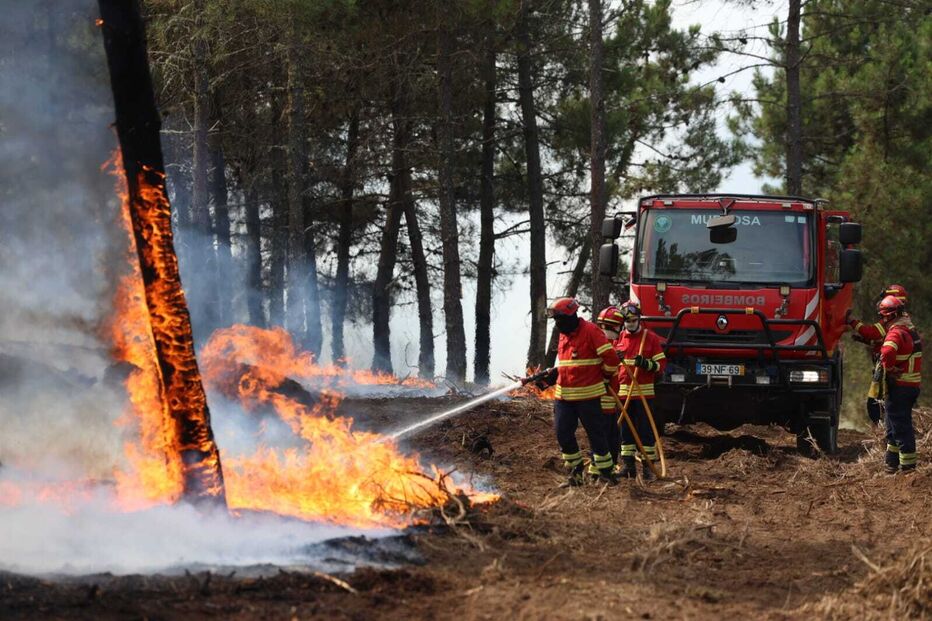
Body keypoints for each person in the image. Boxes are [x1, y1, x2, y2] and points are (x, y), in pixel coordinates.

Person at [539, 297, 620, 486]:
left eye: (560, 319)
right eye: (555, 320)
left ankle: (606, 474)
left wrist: (605, 378)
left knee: (596, 436)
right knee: (562, 433)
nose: (557, 324)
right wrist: (554, 374)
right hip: (564, 396)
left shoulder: (591, 331)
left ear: (572, 316)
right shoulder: (563, 334)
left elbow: (611, 359)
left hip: (588, 396)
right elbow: (569, 363)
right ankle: (575, 473)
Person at [614, 301, 666, 480]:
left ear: (639, 319)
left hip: (644, 394)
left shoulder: (649, 338)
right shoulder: (619, 338)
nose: (630, 324)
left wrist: (646, 364)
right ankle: (628, 466)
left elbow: (661, 366)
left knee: (646, 432)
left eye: (633, 320)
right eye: (627, 321)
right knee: (625, 432)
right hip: (623, 394)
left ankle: (648, 468)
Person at [848, 284, 909, 424]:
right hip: (888, 366)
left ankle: (883, 427)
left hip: (887, 367)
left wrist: (852, 322)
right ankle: (884, 427)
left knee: (875, 402)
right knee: (880, 400)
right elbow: (881, 341)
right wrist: (864, 341)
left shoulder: (892, 320)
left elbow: (872, 333)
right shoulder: (899, 319)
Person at [875, 295, 922, 473]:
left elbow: (887, 352)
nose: (882, 320)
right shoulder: (910, 329)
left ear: (890, 316)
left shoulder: (896, 332)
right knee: (892, 424)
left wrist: (888, 368)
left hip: (900, 386)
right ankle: (891, 462)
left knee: (900, 426)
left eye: (883, 316)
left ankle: (908, 466)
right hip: (910, 386)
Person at [595, 306, 625, 469]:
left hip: (610, 404)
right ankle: (599, 472)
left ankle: (610, 469)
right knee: (602, 440)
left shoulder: (609, 344)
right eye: (619, 327)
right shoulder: (598, 345)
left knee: (613, 440)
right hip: (599, 403)